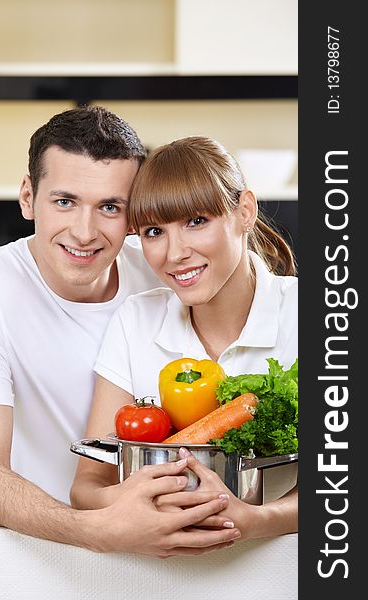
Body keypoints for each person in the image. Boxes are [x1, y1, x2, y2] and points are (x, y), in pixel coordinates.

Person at [0, 108, 241, 557]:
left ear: (132, 215)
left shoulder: (166, 268)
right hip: (47, 547)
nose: (84, 233)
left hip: (189, 540)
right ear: (28, 197)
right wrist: (97, 531)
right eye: (64, 201)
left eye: (109, 207)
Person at [70, 136, 298, 541]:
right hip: (152, 571)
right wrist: (138, 501)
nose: (174, 254)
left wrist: (253, 519)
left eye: (196, 221)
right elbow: (88, 485)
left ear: (245, 211)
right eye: (155, 231)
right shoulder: (136, 320)